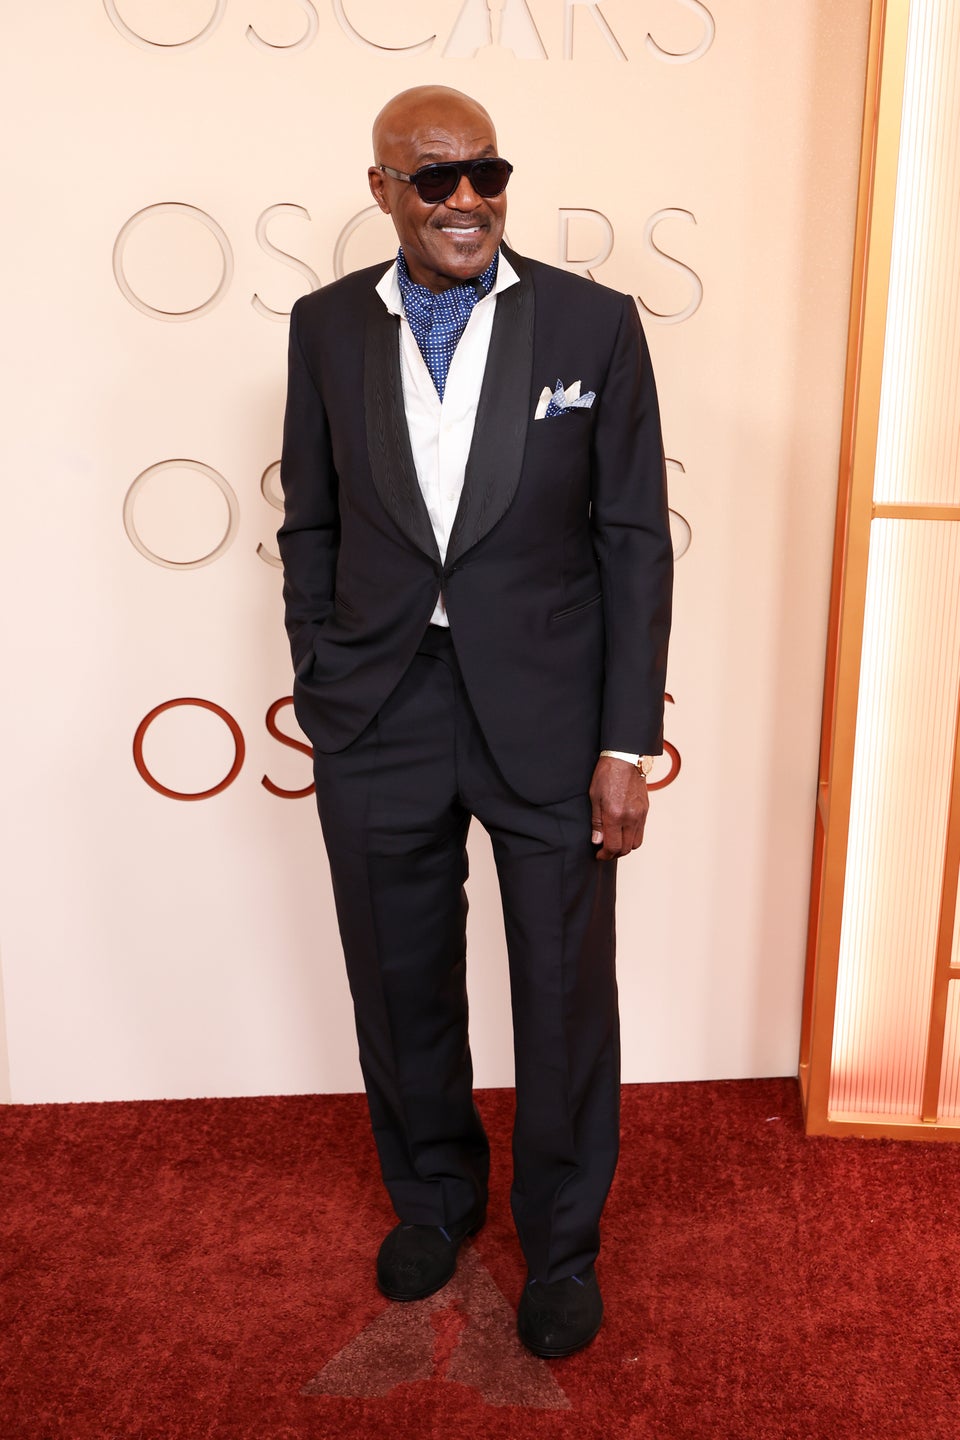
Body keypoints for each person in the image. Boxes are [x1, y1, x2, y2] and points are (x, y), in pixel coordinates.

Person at [278, 84, 672, 1358]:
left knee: (562, 993)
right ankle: (436, 1200)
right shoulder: (327, 326)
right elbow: (312, 524)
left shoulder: (594, 324)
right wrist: (323, 674)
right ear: (383, 189)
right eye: (435, 178)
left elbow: (633, 542)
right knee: (398, 980)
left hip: (550, 712)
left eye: (486, 173)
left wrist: (626, 742)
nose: (467, 199)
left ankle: (562, 1246)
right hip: (380, 706)